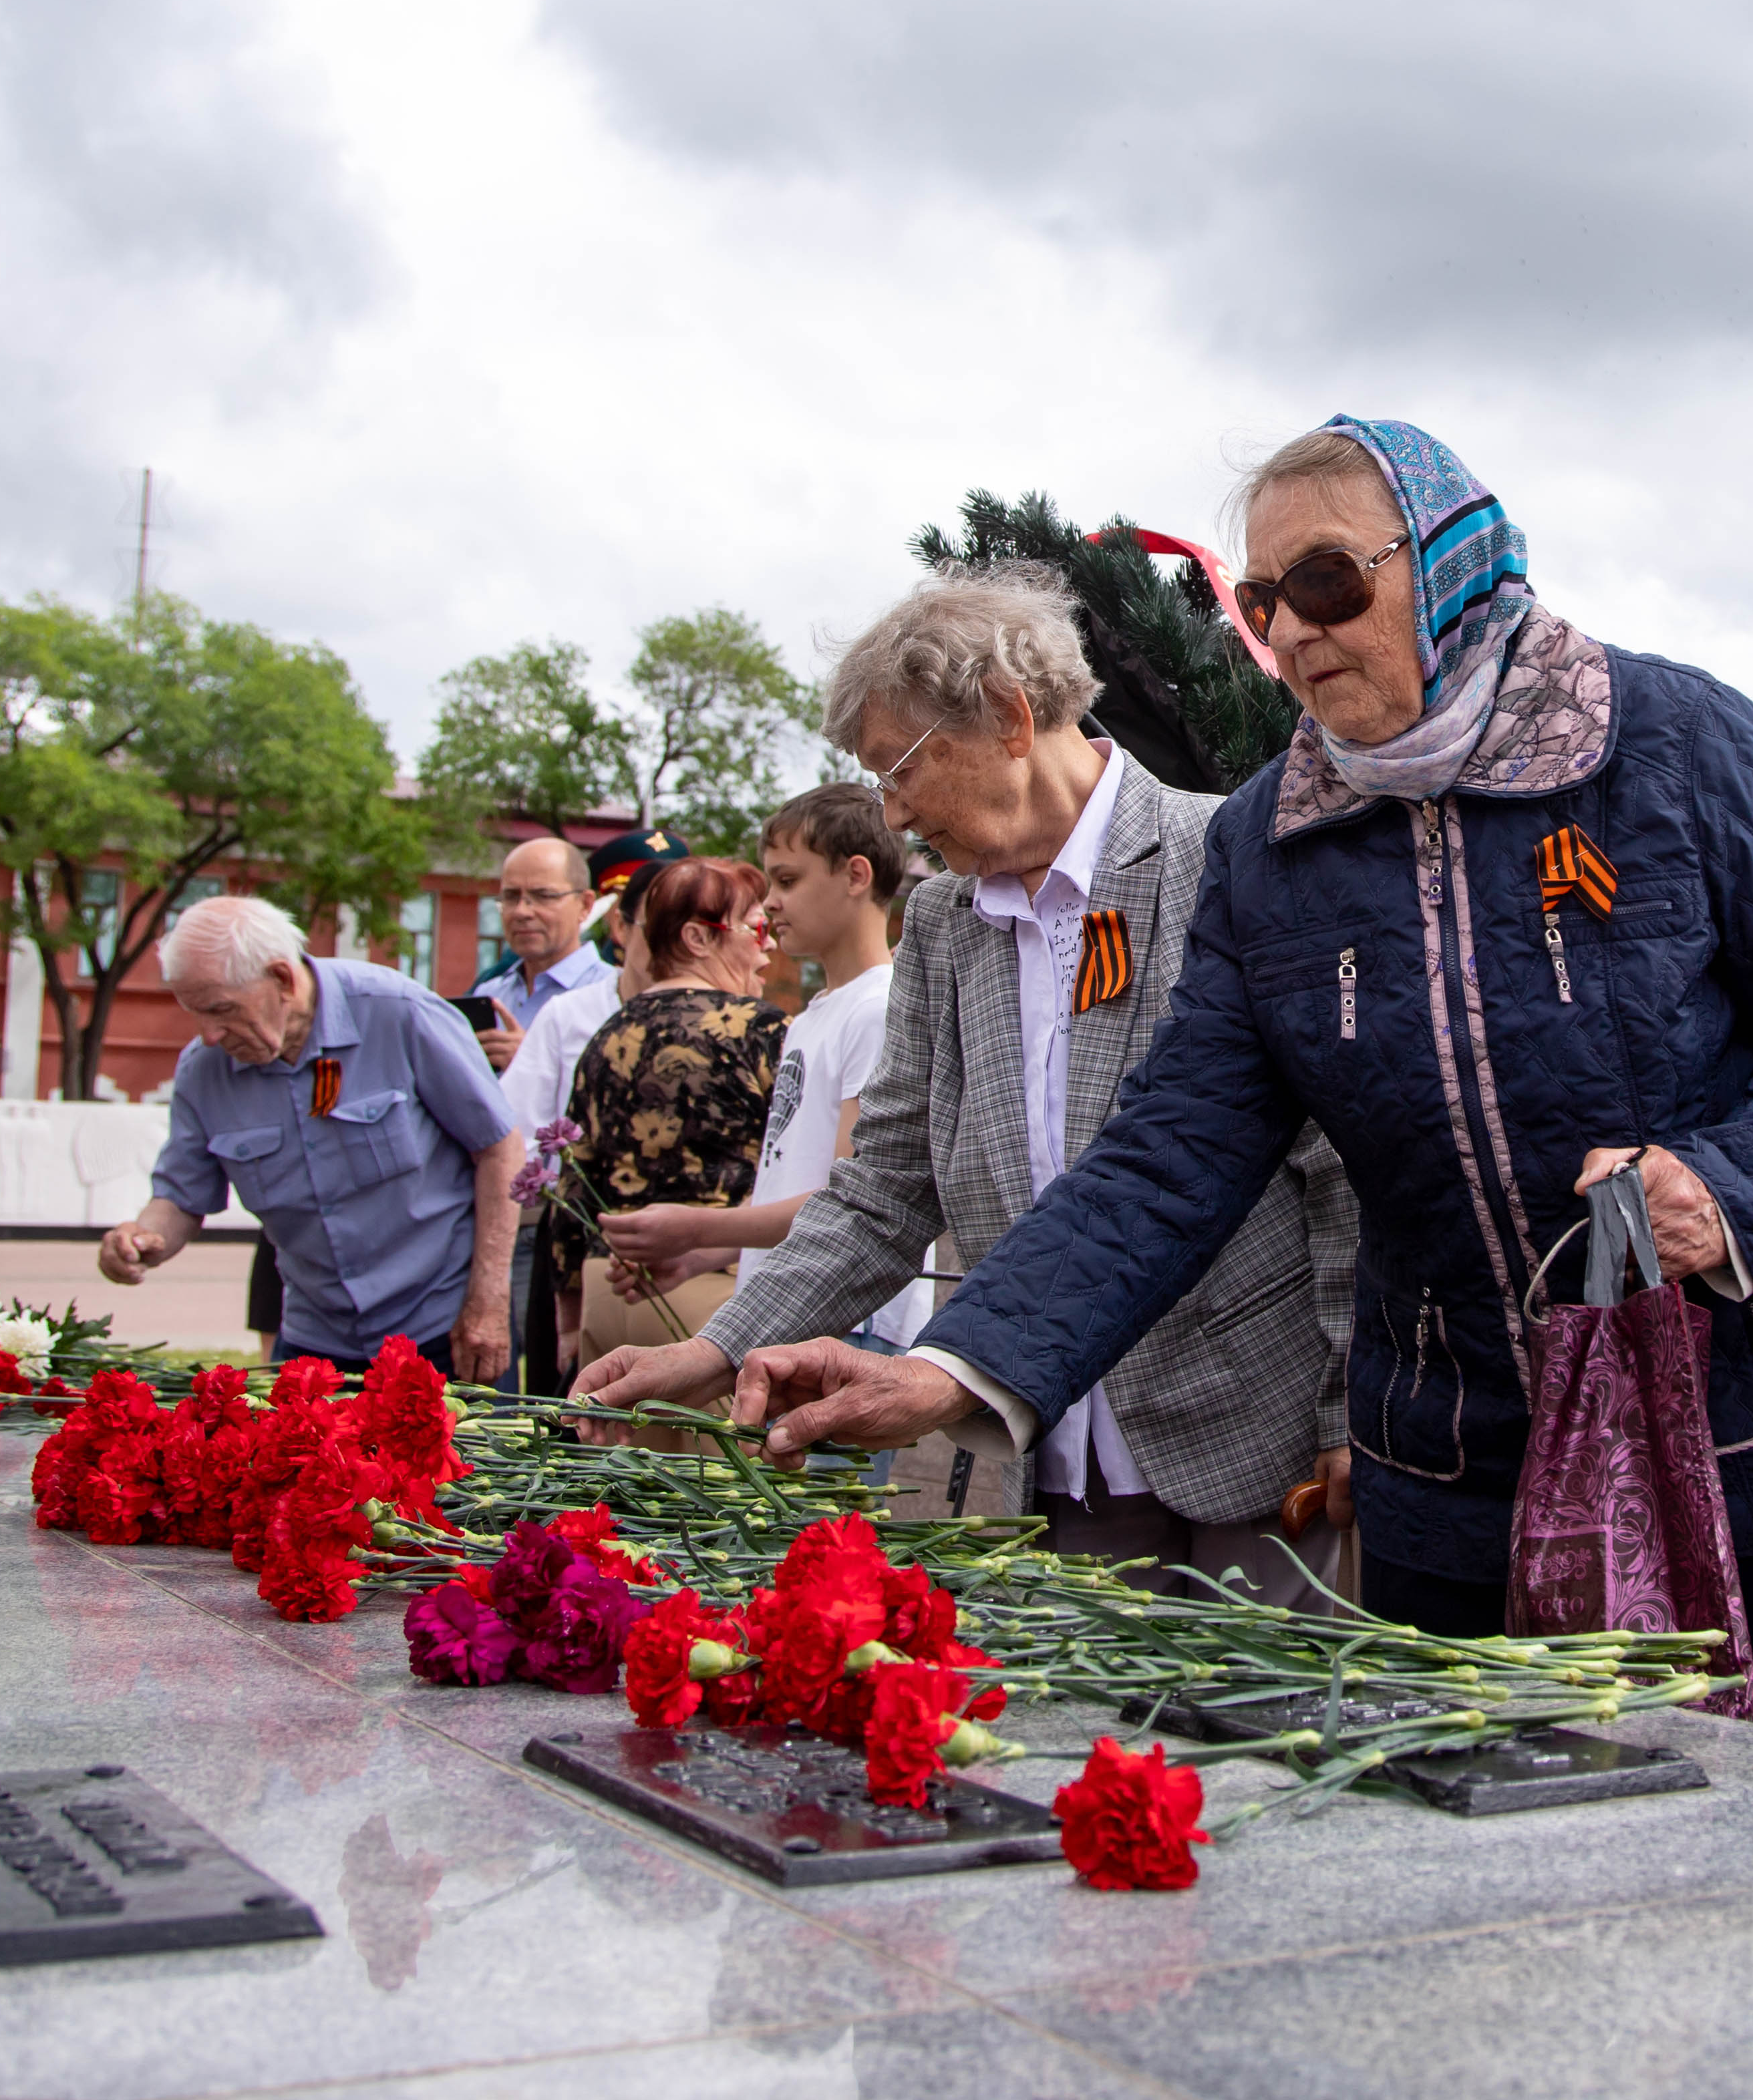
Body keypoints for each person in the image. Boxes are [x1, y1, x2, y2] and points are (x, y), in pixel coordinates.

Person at [703, 423, 1753, 1743]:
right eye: (1262, 601)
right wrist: (963, 1365)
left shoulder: (1674, 742)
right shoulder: (1271, 844)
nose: (1292, 630)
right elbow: (1170, 1153)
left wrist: (1728, 1186)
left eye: (1327, 582)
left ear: (1449, 561)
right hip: (1457, 1478)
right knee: (1477, 1850)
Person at [577, 568, 1357, 1605]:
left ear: (1008, 715)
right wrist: (722, 1348)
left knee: (1268, 1710)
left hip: (1257, 1449)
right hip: (1051, 1446)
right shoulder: (946, 926)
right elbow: (884, 1189)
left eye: (898, 770)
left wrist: (1352, 1411)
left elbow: (1336, 1164)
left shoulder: (1221, 856)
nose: (892, 816)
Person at [98, 895, 518, 1382]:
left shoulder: (398, 1012)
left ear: (282, 978)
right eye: (196, 1013)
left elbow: (500, 1149)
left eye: (221, 1010)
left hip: (444, 1329)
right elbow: (180, 1197)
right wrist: (142, 1238)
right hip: (315, 1341)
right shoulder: (203, 1070)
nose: (210, 1034)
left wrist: (490, 1301)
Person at [594, 783, 915, 1337]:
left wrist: (698, 1227)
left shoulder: (877, 1009)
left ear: (856, 876)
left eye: (787, 881)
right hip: (793, 1314)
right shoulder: (814, 1016)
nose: (769, 903)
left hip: (848, 1327)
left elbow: (854, 1201)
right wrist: (701, 1256)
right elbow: (792, 1181)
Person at [554, 856, 784, 1376]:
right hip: (715, 1297)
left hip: (605, 1291)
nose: (769, 945)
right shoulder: (762, 1031)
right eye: (757, 928)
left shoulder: (607, 1034)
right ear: (698, 938)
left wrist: (569, 1317)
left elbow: (573, 1182)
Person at [496, 826, 691, 1386]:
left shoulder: (730, 1020)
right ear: (620, 928)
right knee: (563, 1395)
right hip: (573, 1239)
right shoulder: (571, 1013)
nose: (674, 943)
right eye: (655, 925)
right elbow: (517, 1132)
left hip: (684, 1249)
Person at [471, 836, 609, 1072]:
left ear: (585, 905)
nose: (522, 912)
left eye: (544, 896)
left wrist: (532, 1062)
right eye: (511, 897)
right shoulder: (491, 994)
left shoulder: (613, 995)